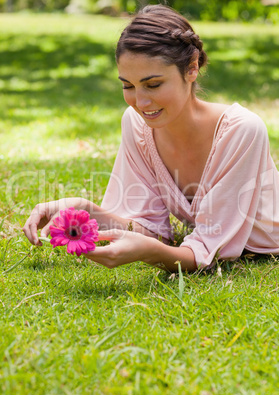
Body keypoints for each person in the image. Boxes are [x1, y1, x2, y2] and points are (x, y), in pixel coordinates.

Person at [23, 5, 279, 272]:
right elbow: (148, 230)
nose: (141, 102)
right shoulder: (136, 124)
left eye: (153, 84)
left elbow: (208, 252)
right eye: (127, 86)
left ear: (192, 69)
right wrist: (81, 208)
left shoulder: (242, 130)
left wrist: (150, 253)